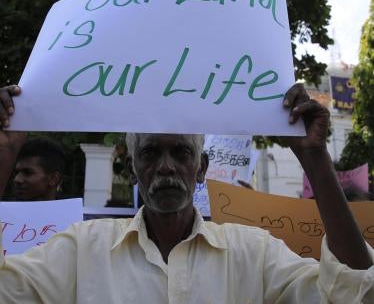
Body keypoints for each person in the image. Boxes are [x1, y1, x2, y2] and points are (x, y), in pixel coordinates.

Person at [0, 83, 373, 303]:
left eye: (180, 152)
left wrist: (315, 158)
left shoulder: (254, 252)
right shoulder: (81, 249)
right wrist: (3, 152)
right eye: (149, 153)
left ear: (201, 169)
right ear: (131, 170)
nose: (165, 167)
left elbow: (352, 292)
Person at [11, 136, 66, 201]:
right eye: (16, 172)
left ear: (53, 178)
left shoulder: (73, 210)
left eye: (27, 172)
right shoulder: (4, 210)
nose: (17, 179)